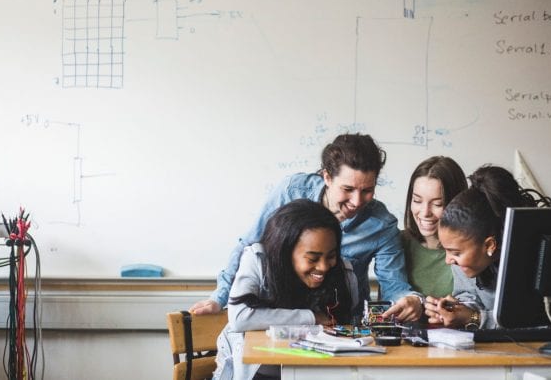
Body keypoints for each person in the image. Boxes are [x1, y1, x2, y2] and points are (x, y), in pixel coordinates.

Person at [191, 133, 423, 321]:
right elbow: (250, 245)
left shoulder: (382, 224)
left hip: (340, 324)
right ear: (327, 177)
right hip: (280, 318)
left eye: (367, 190)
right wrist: (220, 297)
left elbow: (394, 286)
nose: (357, 201)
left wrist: (411, 300)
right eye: (348, 189)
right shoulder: (291, 192)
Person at [212, 199, 358, 380]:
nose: (323, 267)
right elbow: (240, 318)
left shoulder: (343, 273)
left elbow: (349, 326)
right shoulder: (257, 259)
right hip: (258, 373)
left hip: (316, 371)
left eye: (331, 256)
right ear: (285, 251)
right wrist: (312, 317)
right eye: (312, 259)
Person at [424, 165, 551, 329]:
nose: (448, 260)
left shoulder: (535, 259)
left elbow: (533, 322)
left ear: (490, 245)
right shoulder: (463, 262)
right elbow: (470, 300)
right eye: (446, 249)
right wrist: (457, 311)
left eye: (455, 253)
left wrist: (474, 318)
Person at [402, 156, 467, 298]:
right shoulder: (396, 243)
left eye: (438, 204)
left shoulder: (469, 250)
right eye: (417, 200)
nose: (425, 212)